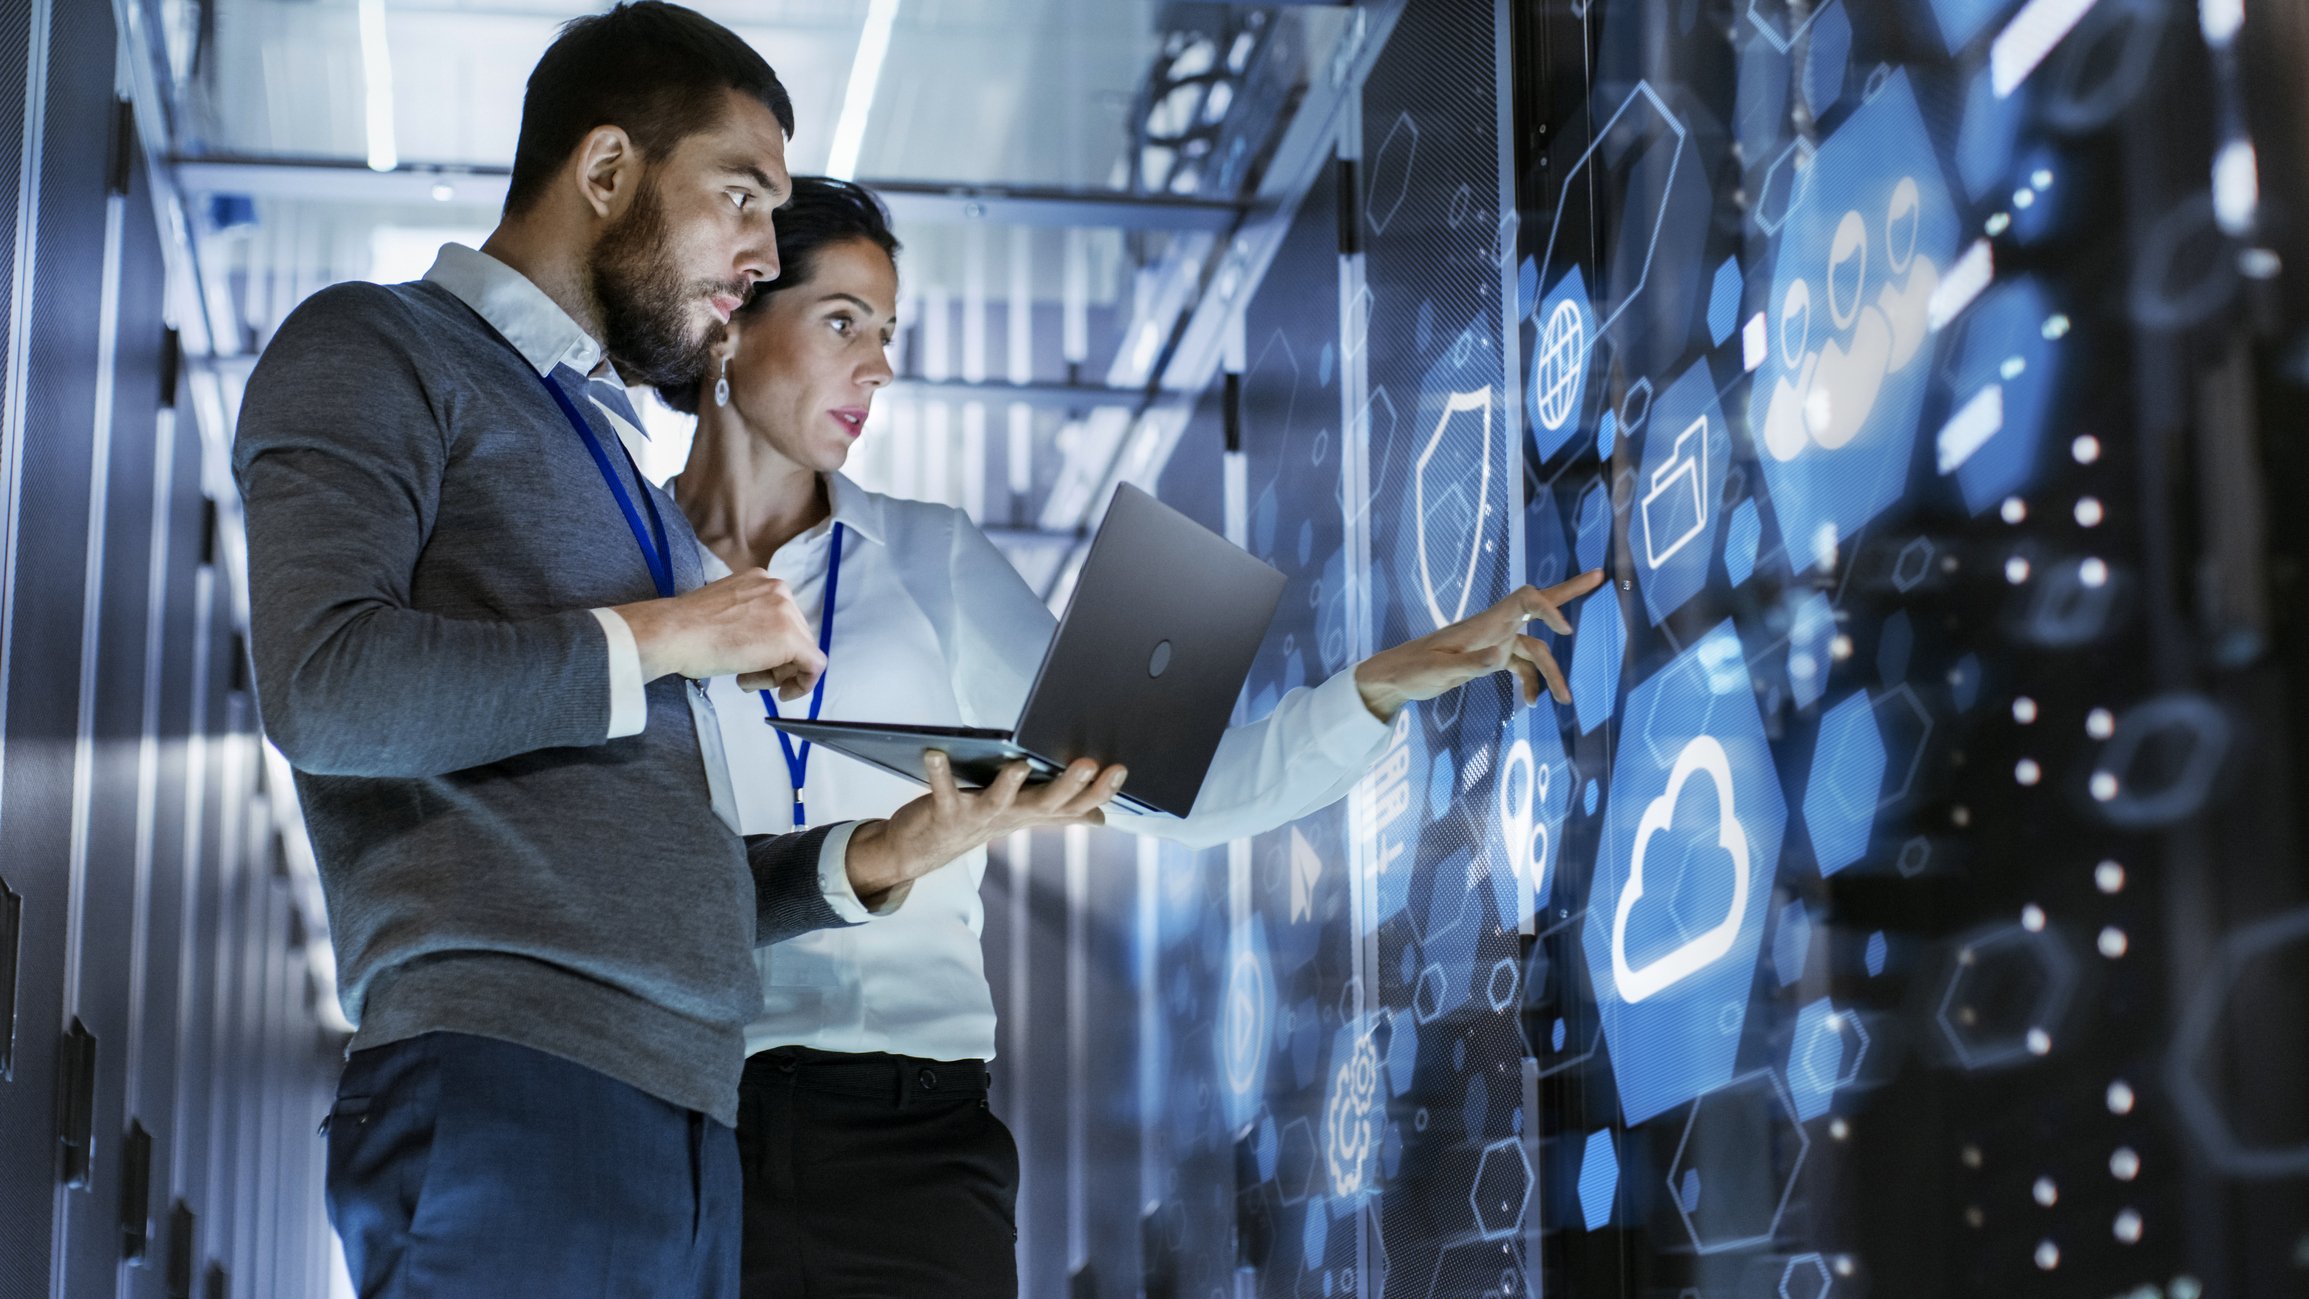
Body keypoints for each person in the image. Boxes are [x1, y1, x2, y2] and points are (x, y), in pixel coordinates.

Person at [232, 10, 1121, 1297]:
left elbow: (655, 859)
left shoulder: (617, 475)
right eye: (740, 198)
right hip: (514, 1081)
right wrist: (676, 631)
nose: (759, 254)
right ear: (605, 174)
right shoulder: (377, 346)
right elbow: (327, 688)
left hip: (687, 1118)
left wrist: (882, 858)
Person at [657, 176, 1606, 1297]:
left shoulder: (931, 560)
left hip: (909, 1134)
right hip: (681, 1119)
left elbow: (1176, 794)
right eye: (842, 322)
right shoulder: (623, 574)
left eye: (889, 334)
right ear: (733, 319)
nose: (879, 367)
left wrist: (1384, 684)